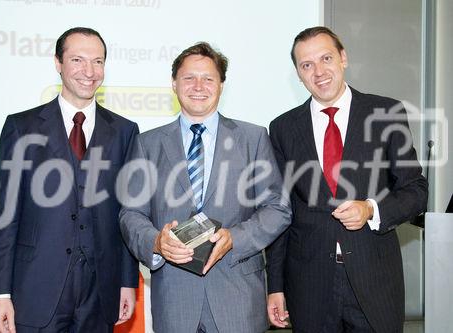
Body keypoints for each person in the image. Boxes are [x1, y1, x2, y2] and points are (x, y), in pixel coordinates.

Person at [119, 42, 291, 333]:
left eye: (208, 78)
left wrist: (235, 238)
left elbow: (277, 208)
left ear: (221, 85)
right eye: (189, 78)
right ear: (174, 84)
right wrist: (156, 242)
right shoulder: (147, 144)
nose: (198, 86)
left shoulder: (253, 138)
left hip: (238, 297)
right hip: (175, 299)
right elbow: (131, 214)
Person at [266, 26, 428, 333]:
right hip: (309, 285)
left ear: (343, 58)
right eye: (306, 65)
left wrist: (370, 209)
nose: (319, 71)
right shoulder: (283, 128)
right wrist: (275, 286)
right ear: (298, 74)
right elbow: (280, 212)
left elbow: (416, 190)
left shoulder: (386, 112)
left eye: (326, 58)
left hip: (374, 280)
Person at [0, 27, 139, 333]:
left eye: (98, 62)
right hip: (36, 289)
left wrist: (127, 282)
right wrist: (0, 292)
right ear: (58, 62)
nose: (89, 71)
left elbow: (127, 214)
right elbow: (8, 215)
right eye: (78, 60)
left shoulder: (125, 131)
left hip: (100, 294)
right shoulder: (22, 127)